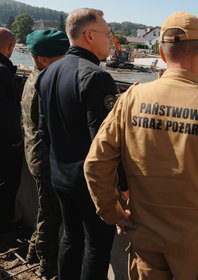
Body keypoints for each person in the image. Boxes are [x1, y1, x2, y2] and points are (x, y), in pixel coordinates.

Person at [84, 11, 198, 280]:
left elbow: (95, 164)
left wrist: (112, 213)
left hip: (144, 235)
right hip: (192, 244)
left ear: (161, 53)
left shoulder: (131, 98)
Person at [36, 8, 126, 279]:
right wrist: (123, 187)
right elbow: (105, 145)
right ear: (89, 35)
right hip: (90, 184)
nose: (110, 40)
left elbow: (44, 132)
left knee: (70, 238)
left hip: (60, 176)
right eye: (107, 33)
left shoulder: (48, 73)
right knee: (96, 248)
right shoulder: (96, 77)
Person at [22, 29, 69, 278]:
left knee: (45, 209)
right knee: (50, 215)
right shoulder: (45, 82)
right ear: (43, 59)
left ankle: (31, 251)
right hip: (45, 160)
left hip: (34, 154)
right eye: (61, 56)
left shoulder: (35, 76)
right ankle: (45, 263)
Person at [0, 28, 23, 233]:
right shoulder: (3, 72)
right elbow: (7, 112)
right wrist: (16, 140)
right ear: (9, 48)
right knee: (7, 186)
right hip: (4, 145)